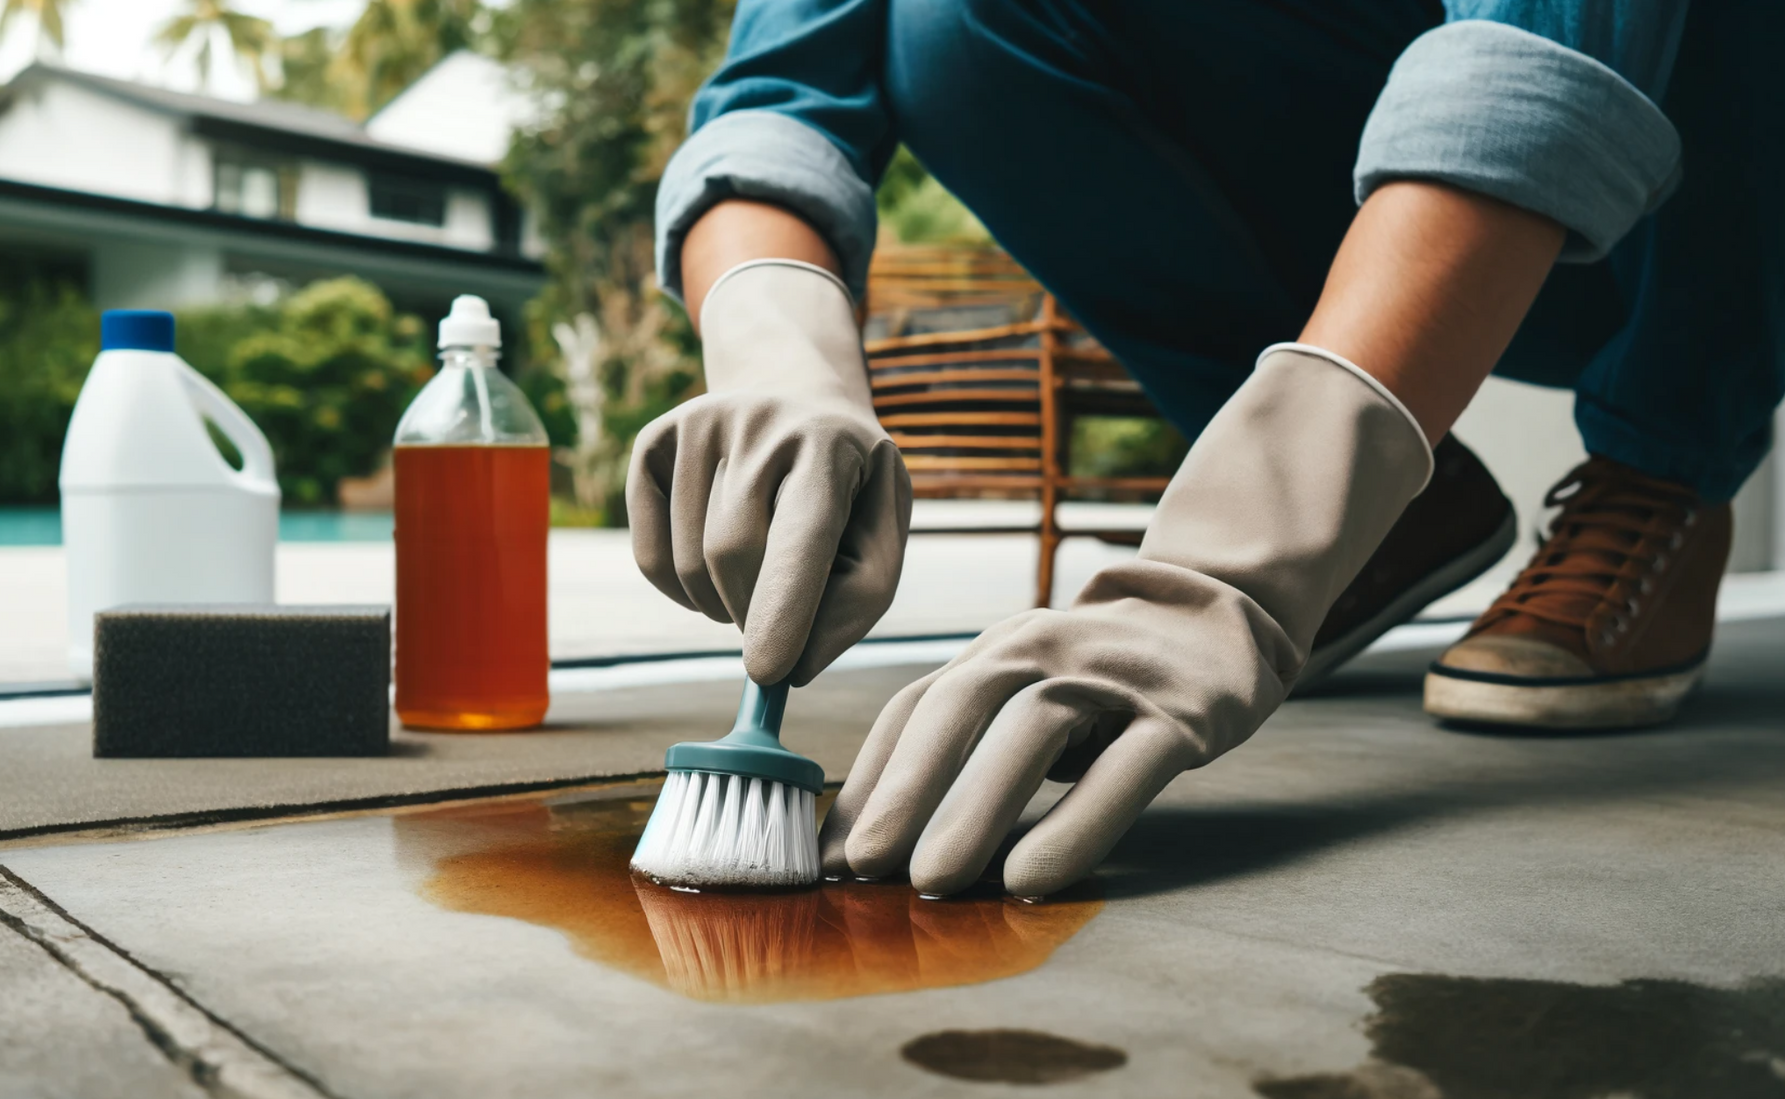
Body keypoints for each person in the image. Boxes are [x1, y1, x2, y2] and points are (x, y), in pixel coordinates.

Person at [624, 0, 1783, 898]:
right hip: (1367, 178)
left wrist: (1263, 533)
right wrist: (780, 347)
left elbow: (1552, 39)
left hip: (1652, 177)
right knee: (955, 25)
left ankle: (1664, 460)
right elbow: (782, 83)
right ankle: (1399, 510)